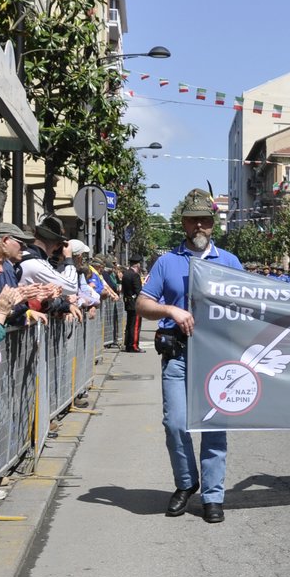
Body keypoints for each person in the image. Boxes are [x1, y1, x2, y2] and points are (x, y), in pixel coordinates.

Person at [136, 189, 243, 524]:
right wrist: (171, 310)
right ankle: (186, 483)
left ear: (213, 225)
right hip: (179, 355)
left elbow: (250, 304)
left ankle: (213, 496)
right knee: (175, 423)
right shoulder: (167, 261)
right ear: (183, 223)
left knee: (214, 428)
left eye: (205, 220)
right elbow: (142, 303)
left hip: (216, 358)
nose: (199, 226)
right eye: (193, 219)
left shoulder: (229, 262)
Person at [121, 262, 143, 351]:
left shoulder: (125, 274)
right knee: (135, 325)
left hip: (128, 302)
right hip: (135, 303)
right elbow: (138, 291)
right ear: (137, 265)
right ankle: (134, 345)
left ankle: (128, 344)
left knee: (130, 324)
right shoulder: (135, 276)